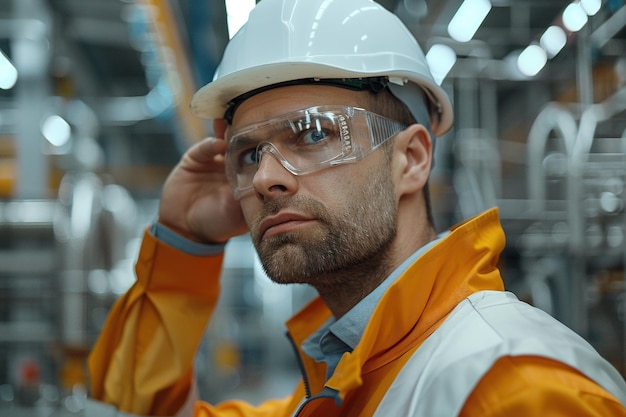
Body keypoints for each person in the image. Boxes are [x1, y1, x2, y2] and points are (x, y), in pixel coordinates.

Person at [86, 0, 626, 416]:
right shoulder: (343, 383)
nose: (266, 178)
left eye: (315, 133)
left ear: (411, 160)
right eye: (248, 153)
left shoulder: (514, 390)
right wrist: (184, 244)